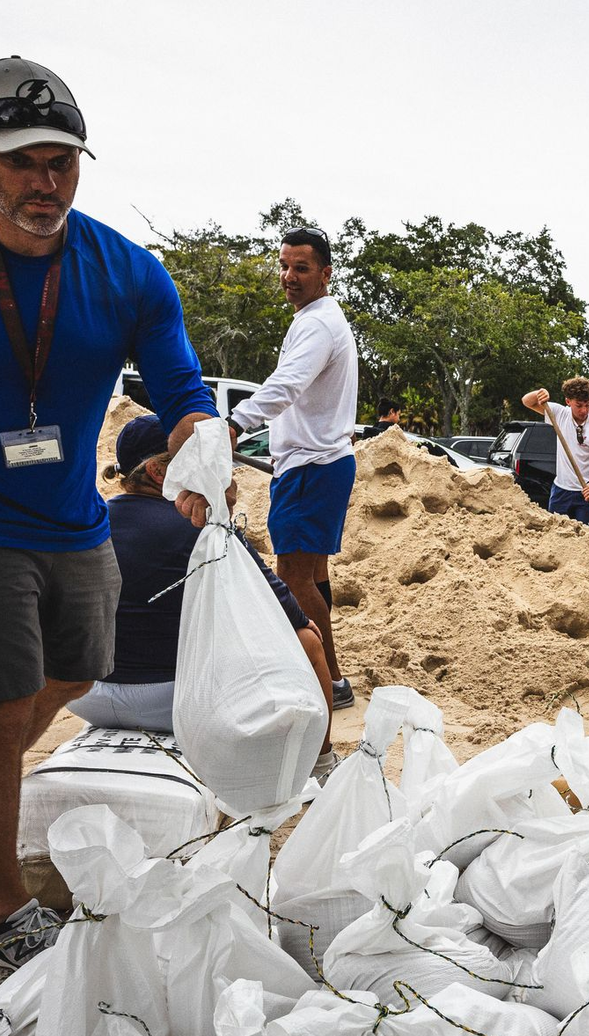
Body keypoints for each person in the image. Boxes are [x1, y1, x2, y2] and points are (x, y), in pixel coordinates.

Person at [0, 55, 225, 966]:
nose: (44, 183)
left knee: (72, 680)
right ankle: (9, 909)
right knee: (10, 703)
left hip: (77, 523)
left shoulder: (127, 272)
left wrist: (202, 441)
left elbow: (178, 384)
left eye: (61, 162)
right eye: (22, 162)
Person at [67, 415, 337, 778]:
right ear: (159, 473)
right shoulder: (200, 525)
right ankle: (322, 766)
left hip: (85, 694)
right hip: (170, 700)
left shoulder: (87, 521)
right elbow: (286, 609)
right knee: (308, 641)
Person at [226, 226, 358, 711]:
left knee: (295, 576)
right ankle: (332, 673)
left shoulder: (318, 325)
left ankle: (330, 678)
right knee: (313, 573)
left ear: (325, 273)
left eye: (301, 268)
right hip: (318, 463)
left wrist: (235, 423)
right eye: (284, 266)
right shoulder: (316, 319)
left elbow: (287, 384)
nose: (289, 277)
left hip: (312, 466)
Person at [521, 376, 589, 526]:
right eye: (579, 405)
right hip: (561, 490)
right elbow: (527, 401)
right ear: (568, 401)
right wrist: (540, 393)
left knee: (587, 539)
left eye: (588, 405)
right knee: (556, 533)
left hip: (587, 493)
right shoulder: (559, 413)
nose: (584, 410)